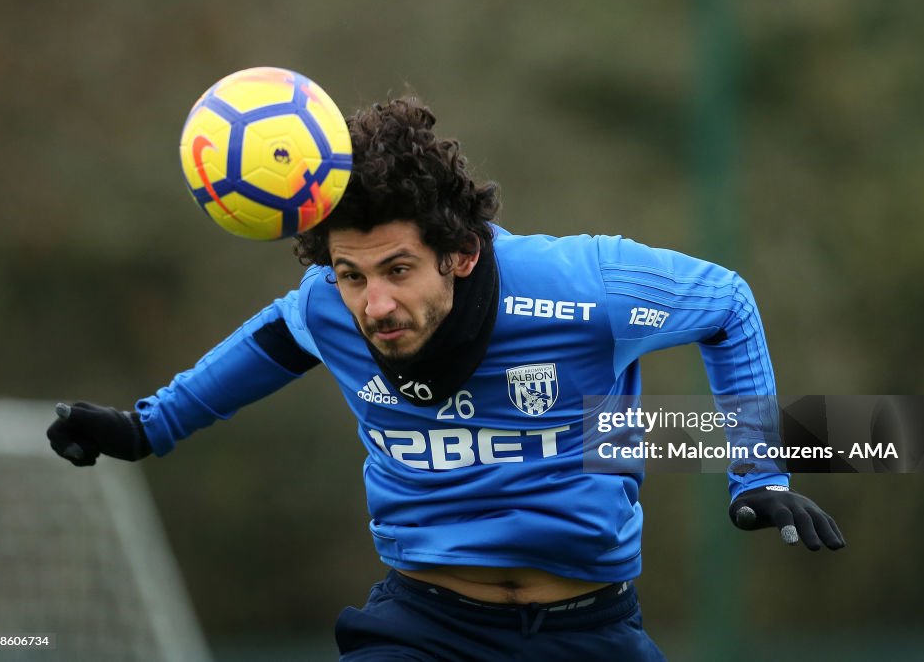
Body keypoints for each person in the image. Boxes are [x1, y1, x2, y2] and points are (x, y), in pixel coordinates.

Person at [47, 97, 845, 661]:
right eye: (351, 274)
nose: (373, 302)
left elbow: (727, 303)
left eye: (397, 269)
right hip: (423, 631)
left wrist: (758, 470)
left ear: (461, 255)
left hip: (593, 629)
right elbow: (270, 344)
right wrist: (149, 427)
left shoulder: (585, 287)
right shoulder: (329, 305)